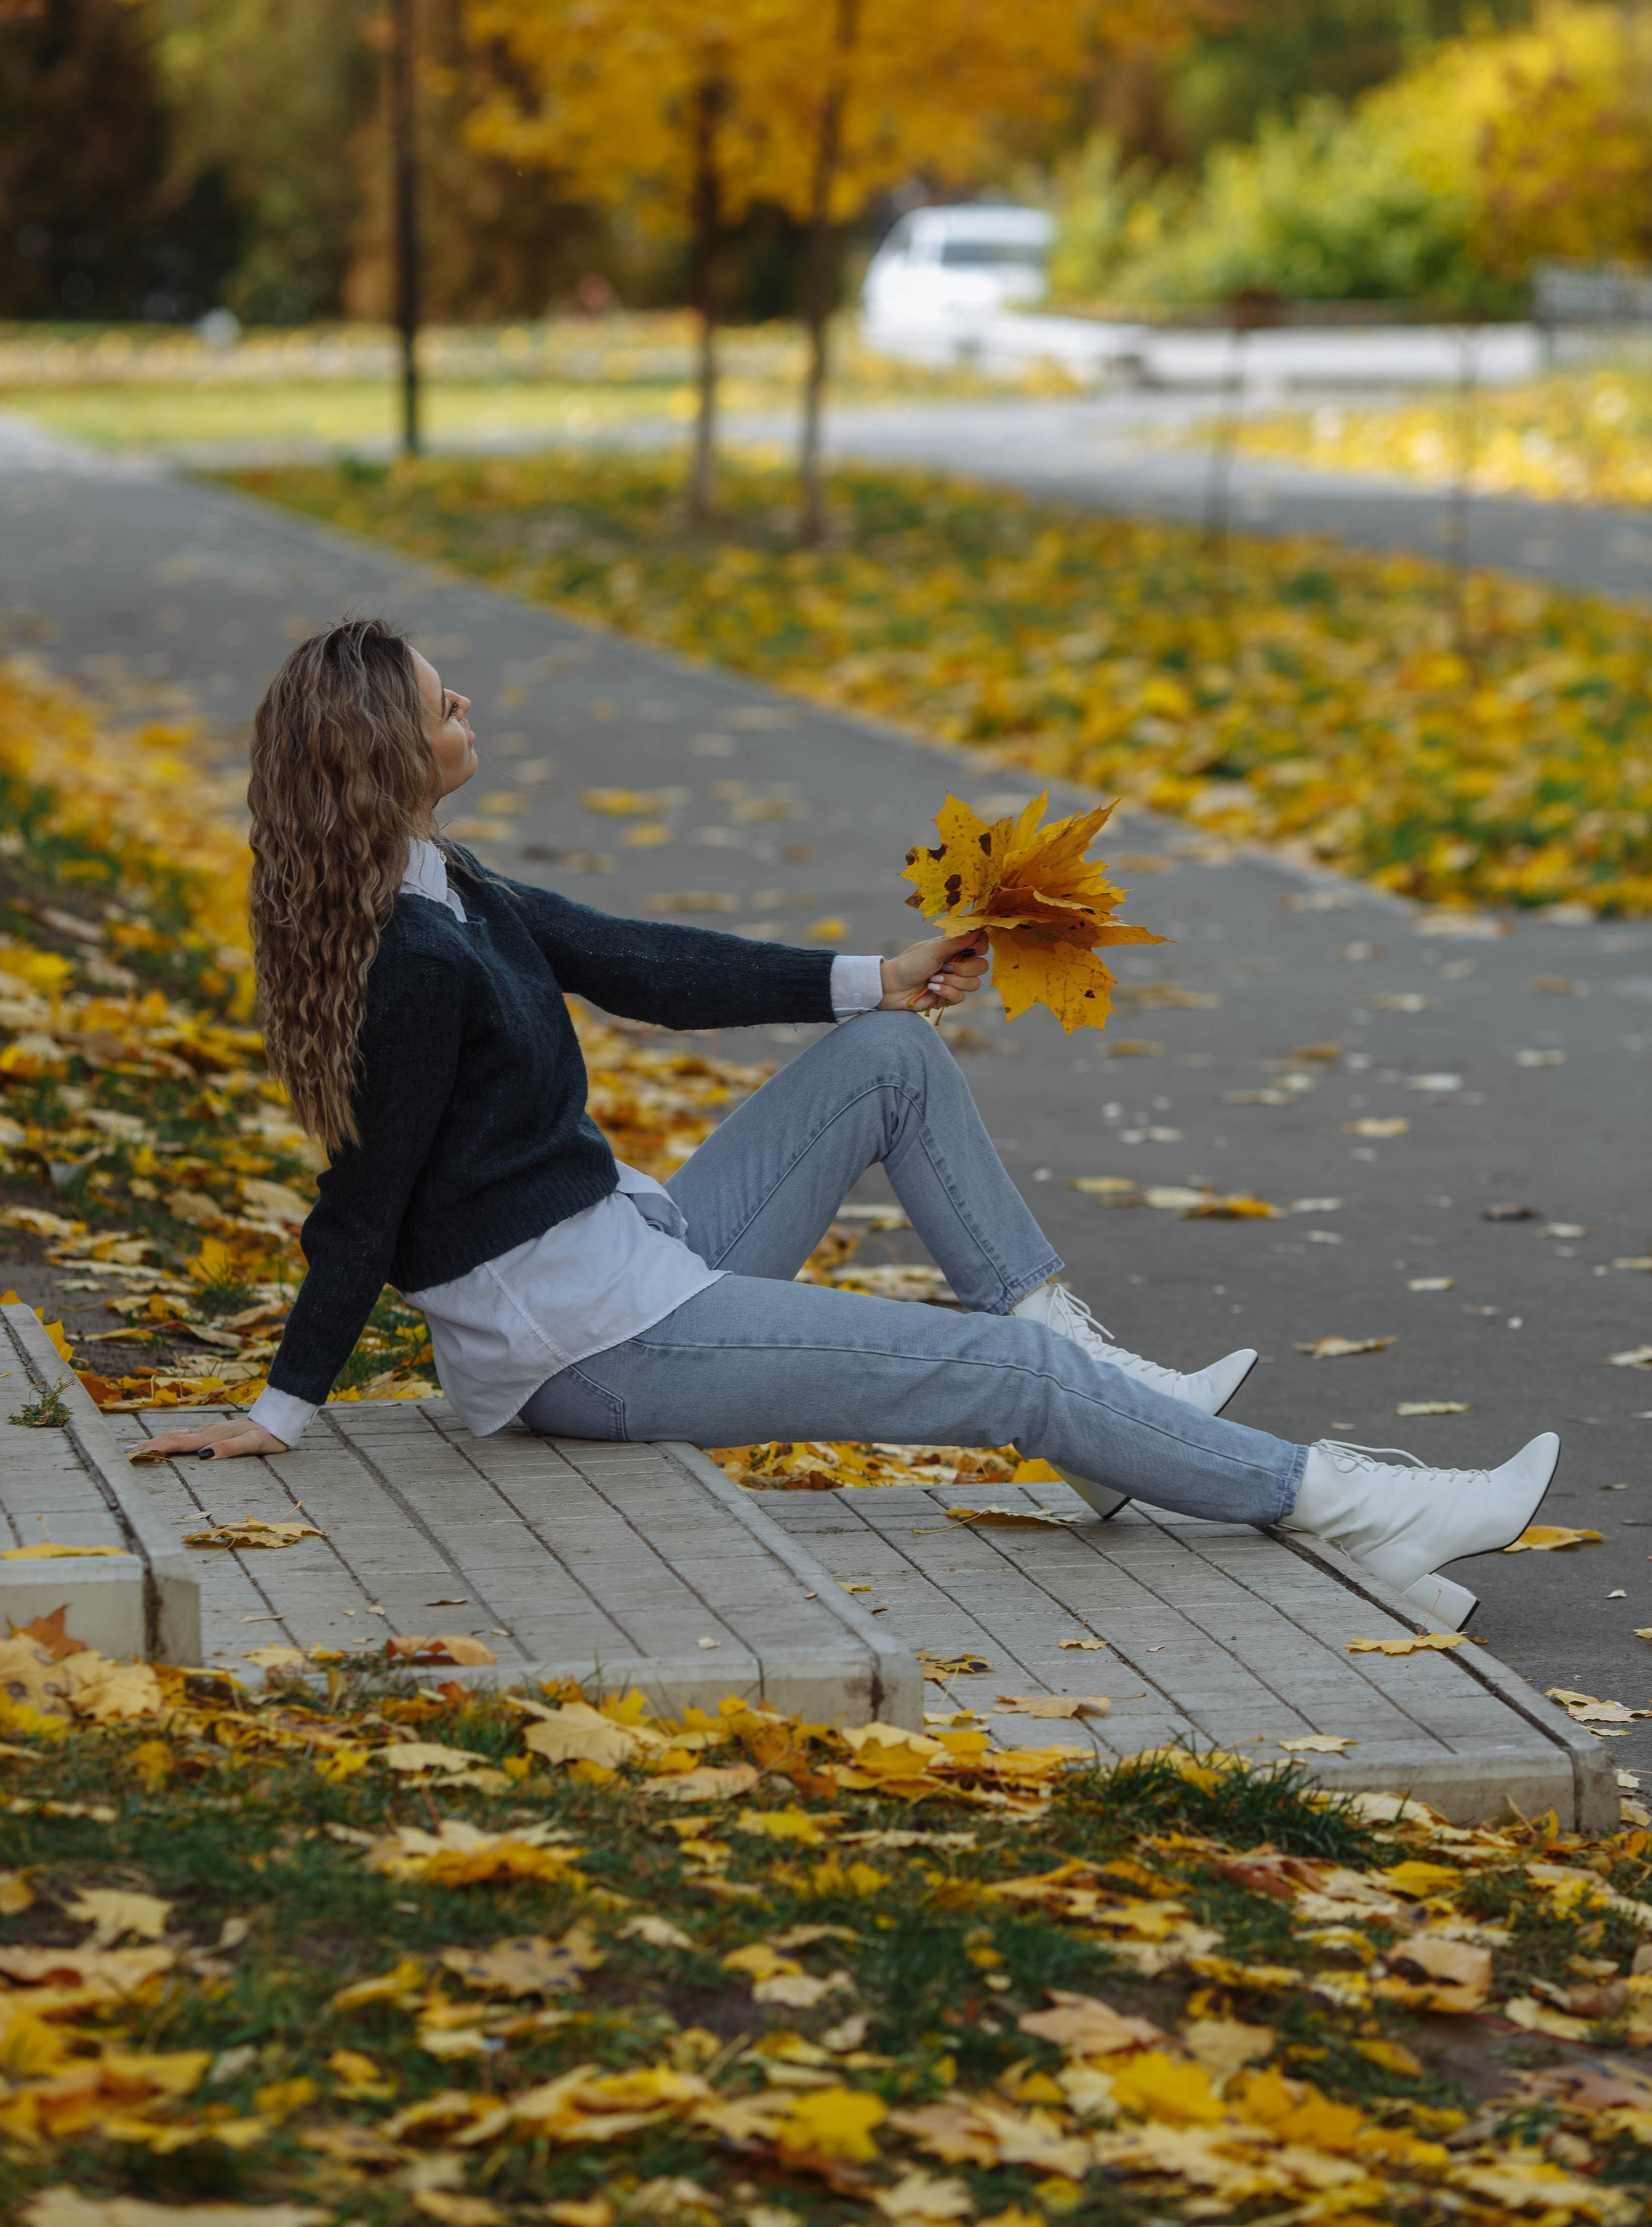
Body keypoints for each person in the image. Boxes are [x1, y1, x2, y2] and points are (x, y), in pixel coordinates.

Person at [140, 619, 1558, 1629]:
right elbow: (361, 1200)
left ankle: (1093, 1387)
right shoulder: (415, 960)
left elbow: (634, 957)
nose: (470, 717)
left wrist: (869, 977)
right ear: (390, 752)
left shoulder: (447, 883)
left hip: (633, 1259)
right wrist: (279, 1410)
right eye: (449, 708)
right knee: (998, 1376)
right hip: (587, 1349)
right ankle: (1350, 1505)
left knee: (890, 1053)